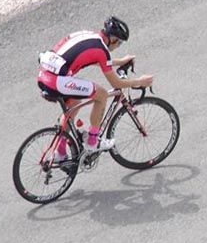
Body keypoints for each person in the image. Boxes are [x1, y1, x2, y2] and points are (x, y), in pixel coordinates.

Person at [36, 16, 153, 153]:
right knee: (102, 94)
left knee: (74, 103)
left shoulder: (90, 36)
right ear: (113, 38)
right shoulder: (102, 50)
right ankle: (92, 141)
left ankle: (59, 152)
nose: (117, 47)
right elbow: (116, 83)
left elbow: (92, 57)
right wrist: (140, 81)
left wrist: (120, 61)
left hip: (44, 77)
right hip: (57, 81)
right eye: (119, 43)